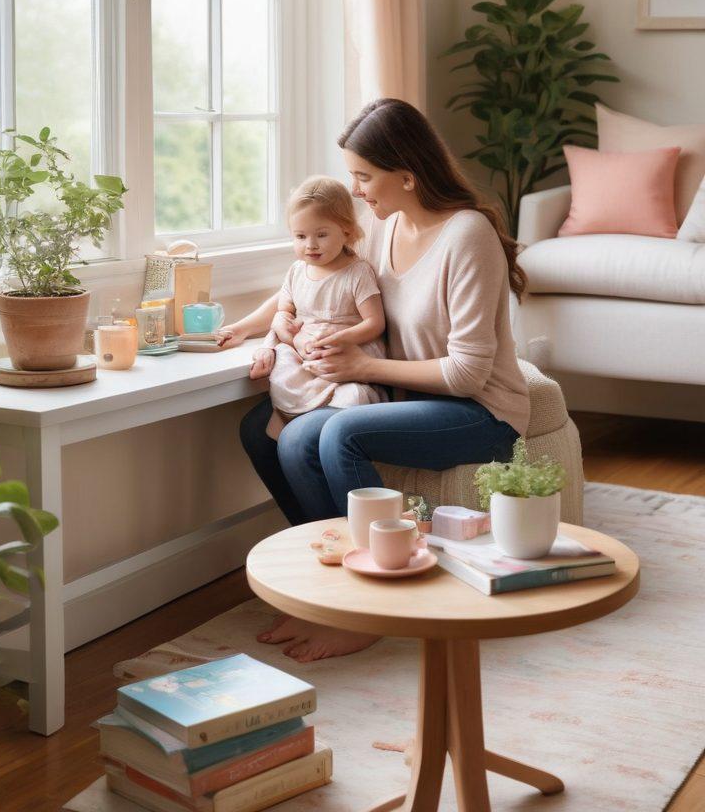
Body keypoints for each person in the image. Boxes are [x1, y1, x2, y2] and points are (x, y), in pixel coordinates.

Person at [219, 98, 530, 661]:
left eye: (363, 176)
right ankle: (335, 580)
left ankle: (373, 606)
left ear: (406, 175)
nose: (356, 190)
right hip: (405, 395)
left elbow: (468, 373)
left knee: (340, 433)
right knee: (260, 430)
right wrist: (266, 324)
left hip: (481, 412)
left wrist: (361, 367)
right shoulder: (389, 229)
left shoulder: (468, 235)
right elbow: (310, 277)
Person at [243, 175, 387, 441]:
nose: (310, 244)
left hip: (346, 352)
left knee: (354, 395)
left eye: (321, 235)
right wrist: (281, 326)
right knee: (283, 364)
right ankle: (288, 414)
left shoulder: (357, 273)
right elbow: (284, 310)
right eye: (300, 236)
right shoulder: (297, 271)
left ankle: (328, 419)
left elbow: (375, 322)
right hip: (306, 352)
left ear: (346, 232)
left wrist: (341, 339)